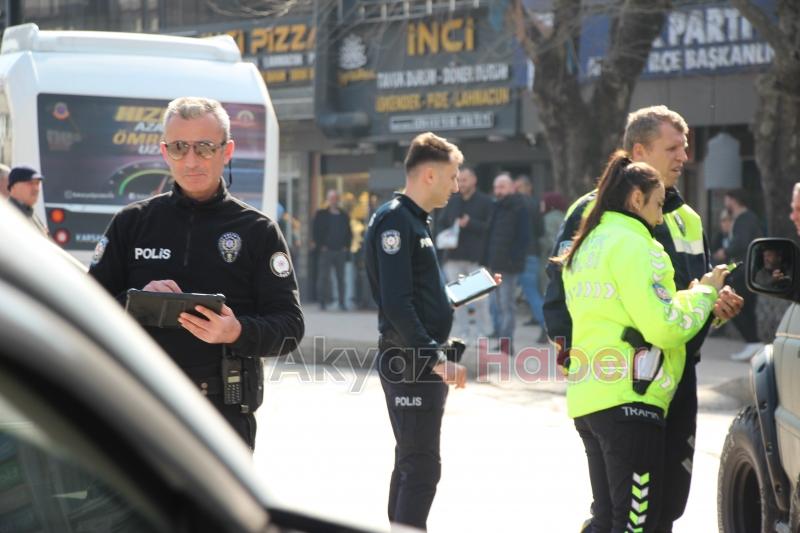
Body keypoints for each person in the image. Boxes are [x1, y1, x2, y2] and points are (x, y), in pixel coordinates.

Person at [544, 105, 743, 531]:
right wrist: (574, 360)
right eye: (672, 147)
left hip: (677, 375)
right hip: (629, 385)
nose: (683, 157)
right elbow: (561, 297)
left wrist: (715, 305)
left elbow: (687, 300)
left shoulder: (687, 218)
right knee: (630, 516)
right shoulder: (594, 213)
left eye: (685, 148)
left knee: (662, 507)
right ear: (639, 151)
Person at [89, 96, 304, 450]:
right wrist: (135, 302)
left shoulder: (257, 231)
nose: (191, 160)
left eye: (204, 147)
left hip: (221, 413)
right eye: (179, 147)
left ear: (227, 150)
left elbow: (290, 328)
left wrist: (236, 331)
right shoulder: (132, 223)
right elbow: (86, 310)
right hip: (141, 405)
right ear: (164, 151)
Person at [364, 132, 469, 530]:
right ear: (428, 174)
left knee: (411, 463)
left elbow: (417, 296)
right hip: (409, 361)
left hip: (415, 358)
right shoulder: (396, 219)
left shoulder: (413, 220)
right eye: (452, 176)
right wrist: (435, 359)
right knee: (421, 468)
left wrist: (452, 297)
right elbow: (396, 303)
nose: (455, 186)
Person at [435, 167, 493, 342]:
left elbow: (490, 228)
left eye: (464, 180)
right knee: (457, 299)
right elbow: (441, 223)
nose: (461, 184)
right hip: (453, 257)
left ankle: (483, 333)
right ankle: (464, 333)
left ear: (474, 180)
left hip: (476, 257)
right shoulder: (452, 201)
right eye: (459, 180)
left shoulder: (485, 202)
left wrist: (471, 223)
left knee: (480, 299)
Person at [715, 189, 764, 361]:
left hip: (744, 272)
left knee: (731, 305)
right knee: (745, 309)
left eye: (727, 200)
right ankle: (753, 342)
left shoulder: (745, 219)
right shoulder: (746, 218)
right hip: (747, 271)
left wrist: (725, 251)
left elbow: (742, 242)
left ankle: (753, 342)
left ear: (733, 200)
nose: (725, 204)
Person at [484, 173, 529, 355]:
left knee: (506, 305)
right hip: (494, 264)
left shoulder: (519, 207)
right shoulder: (496, 207)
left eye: (502, 187)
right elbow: (490, 235)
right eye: (496, 187)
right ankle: (501, 339)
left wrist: (513, 259)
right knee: (496, 306)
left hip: (509, 266)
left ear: (511, 187)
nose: (498, 191)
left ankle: (506, 343)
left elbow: (524, 237)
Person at [514, 174, 547, 342]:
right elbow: (541, 230)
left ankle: (545, 325)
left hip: (519, 254)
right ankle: (545, 325)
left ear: (527, 187)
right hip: (533, 252)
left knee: (530, 293)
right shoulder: (535, 204)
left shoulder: (516, 204)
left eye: (518, 187)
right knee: (533, 292)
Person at [312, 189, 353, 311]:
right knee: (323, 277)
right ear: (328, 199)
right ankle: (322, 302)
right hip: (326, 251)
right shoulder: (321, 214)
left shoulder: (344, 215)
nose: (333, 200)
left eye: (335, 198)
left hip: (340, 250)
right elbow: (315, 231)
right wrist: (321, 246)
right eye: (331, 198)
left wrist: (347, 246)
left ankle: (342, 303)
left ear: (338, 200)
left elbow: (349, 232)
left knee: (341, 278)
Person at [6, 165, 49, 236]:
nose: (36, 189)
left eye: (37, 183)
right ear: (13, 186)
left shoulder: (30, 212)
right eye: (30, 183)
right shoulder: (7, 215)